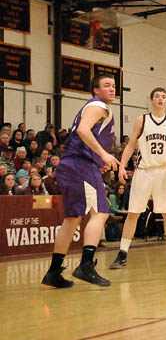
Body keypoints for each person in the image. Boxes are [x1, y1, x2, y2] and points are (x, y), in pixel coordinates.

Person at [41, 74, 118, 289]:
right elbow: (83, 131)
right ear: (95, 90)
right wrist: (103, 154)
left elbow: (83, 135)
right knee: (100, 212)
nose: (112, 89)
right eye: (106, 85)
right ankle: (86, 265)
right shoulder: (98, 106)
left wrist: (98, 160)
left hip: (71, 164)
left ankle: (53, 272)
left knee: (72, 219)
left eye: (113, 85)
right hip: (79, 165)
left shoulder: (93, 107)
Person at [109, 87, 166, 270]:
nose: (160, 99)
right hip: (144, 171)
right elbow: (130, 146)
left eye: (163, 97)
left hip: (164, 171)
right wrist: (122, 166)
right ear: (151, 100)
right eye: (157, 96)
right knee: (133, 213)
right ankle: (122, 253)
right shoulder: (141, 120)